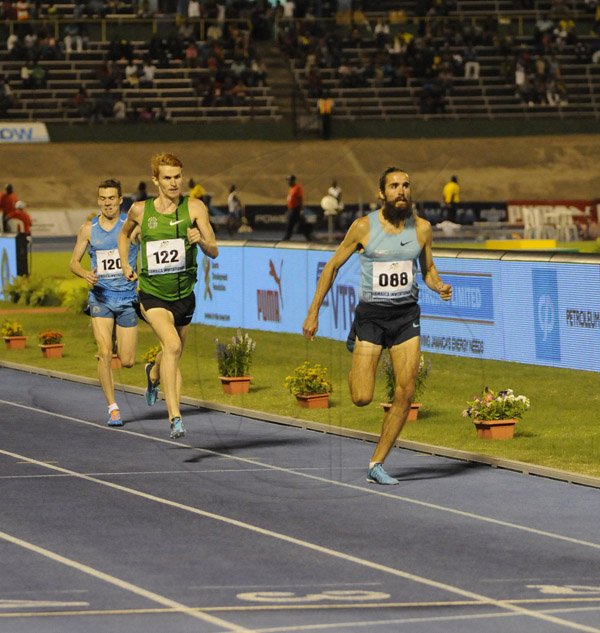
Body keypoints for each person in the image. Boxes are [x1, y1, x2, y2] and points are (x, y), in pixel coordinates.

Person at [302, 166, 452, 485]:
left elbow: (428, 269)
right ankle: (355, 350)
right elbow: (331, 268)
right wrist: (314, 312)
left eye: (406, 185)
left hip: (405, 317)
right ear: (381, 193)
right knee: (361, 397)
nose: (401, 190)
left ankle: (377, 462)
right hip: (371, 317)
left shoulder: (423, 229)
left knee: (406, 390)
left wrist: (438, 285)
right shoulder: (362, 228)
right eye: (394, 186)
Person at [118, 153, 218, 439]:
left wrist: (201, 242)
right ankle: (175, 417)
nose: (173, 183)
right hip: (151, 295)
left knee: (172, 354)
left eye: (177, 177)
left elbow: (214, 249)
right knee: (172, 345)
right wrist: (126, 263)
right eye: (167, 178)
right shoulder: (140, 211)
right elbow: (124, 236)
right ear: (156, 181)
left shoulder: (195, 208)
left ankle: (152, 374)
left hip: (184, 295)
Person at [70, 179, 140, 427]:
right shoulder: (88, 230)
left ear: (120, 200)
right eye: (103, 198)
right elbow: (74, 262)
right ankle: (113, 408)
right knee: (103, 353)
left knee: (128, 360)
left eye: (112, 198)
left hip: (127, 298)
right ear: (98, 200)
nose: (107, 203)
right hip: (100, 297)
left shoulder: (130, 227)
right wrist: (84, 274)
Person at [282, 174, 313, 241]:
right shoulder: (292, 188)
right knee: (299, 223)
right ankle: (308, 237)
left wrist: (301, 210)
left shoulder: (297, 188)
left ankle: (287, 237)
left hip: (296, 209)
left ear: (293, 180)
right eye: (288, 181)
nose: (288, 182)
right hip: (292, 209)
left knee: (291, 223)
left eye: (289, 180)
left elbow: (300, 199)